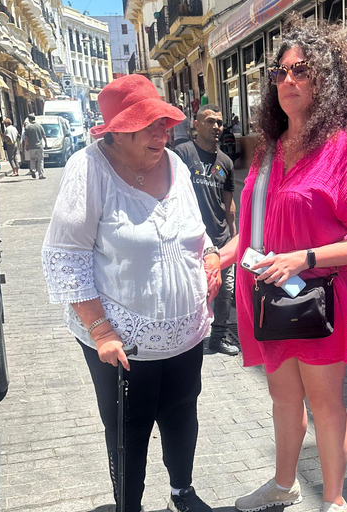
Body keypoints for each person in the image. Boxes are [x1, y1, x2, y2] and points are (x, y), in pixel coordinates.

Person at [221, 16, 347, 512]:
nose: (288, 80)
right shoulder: (268, 151)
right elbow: (251, 230)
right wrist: (218, 257)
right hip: (268, 299)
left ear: (325, 79)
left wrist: (304, 258)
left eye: (301, 70)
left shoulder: (341, 150)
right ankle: (284, 485)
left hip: (317, 301)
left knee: (325, 405)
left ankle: (333, 501)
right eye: (280, 72)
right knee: (284, 401)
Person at [41, 74, 219, 512]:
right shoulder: (88, 170)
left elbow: (195, 231)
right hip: (121, 340)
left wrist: (211, 255)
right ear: (119, 131)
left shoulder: (175, 165)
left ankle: (182, 490)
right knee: (128, 428)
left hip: (185, 331)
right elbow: (68, 257)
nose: (163, 132)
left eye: (164, 122)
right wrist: (101, 332)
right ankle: (129, 506)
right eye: (150, 125)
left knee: (182, 414)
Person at [174, 104, 239, 356]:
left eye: (219, 123)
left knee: (226, 290)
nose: (216, 127)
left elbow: (229, 202)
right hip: (191, 239)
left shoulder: (225, 161)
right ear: (196, 124)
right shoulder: (182, 154)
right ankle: (188, 337)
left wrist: (233, 236)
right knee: (192, 289)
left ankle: (218, 337)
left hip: (221, 238)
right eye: (209, 121)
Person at [22, 113, 47, 179]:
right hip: (39, 146)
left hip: (31, 146)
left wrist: (25, 146)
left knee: (32, 159)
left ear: (29, 119)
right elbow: (44, 135)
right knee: (40, 160)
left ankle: (33, 169)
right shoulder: (39, 126)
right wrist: (46, 143)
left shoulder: (27, 127)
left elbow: (26, 137)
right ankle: (41, 174)